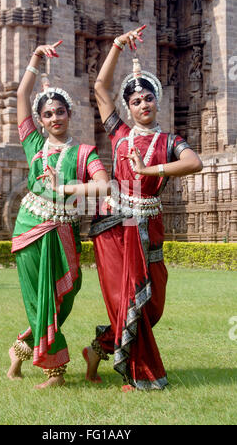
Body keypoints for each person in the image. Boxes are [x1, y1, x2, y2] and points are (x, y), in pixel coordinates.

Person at [82, 26, 203, 391]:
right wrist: (117, 46)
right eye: (135, 101)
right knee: (128, 296)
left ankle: (101, 348)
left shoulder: (170, 141)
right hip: (116, 224)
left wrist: (149, 169)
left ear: (157, 101)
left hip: (150, 220)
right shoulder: (119, 134)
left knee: (152, 303)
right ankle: (137, 373)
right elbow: (101, 89)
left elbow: (194, 162)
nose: (143, 105)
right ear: (128, 107)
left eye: (148, 99)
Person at [7, 40, 109, 389]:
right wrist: (35, 58)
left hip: (64, 232)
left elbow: (104, 186)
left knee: (64, 296)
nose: (54, 118)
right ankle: (56, 371)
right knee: (39, 298)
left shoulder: (83, 152)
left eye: (60, 112)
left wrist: (65, 189)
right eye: (47, 114)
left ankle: (20, 348)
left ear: (70, 114)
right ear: (40, 120)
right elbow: (22, 96)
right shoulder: (33, 145)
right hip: (29, 228)